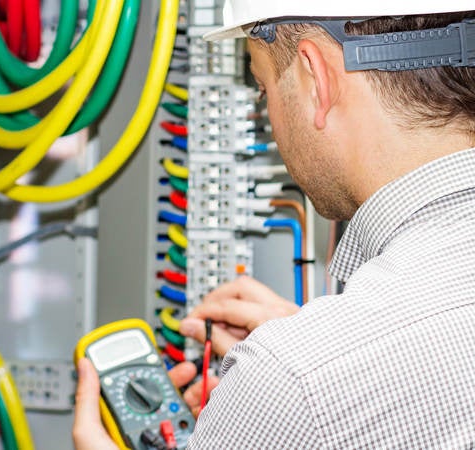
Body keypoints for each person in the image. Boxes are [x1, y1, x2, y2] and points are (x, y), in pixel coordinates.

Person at [73, 0, 475, 447]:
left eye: (262, 88)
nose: (266, 115)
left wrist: (294, 365)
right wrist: (317, 341)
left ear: (315, 77)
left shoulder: (293, 380)